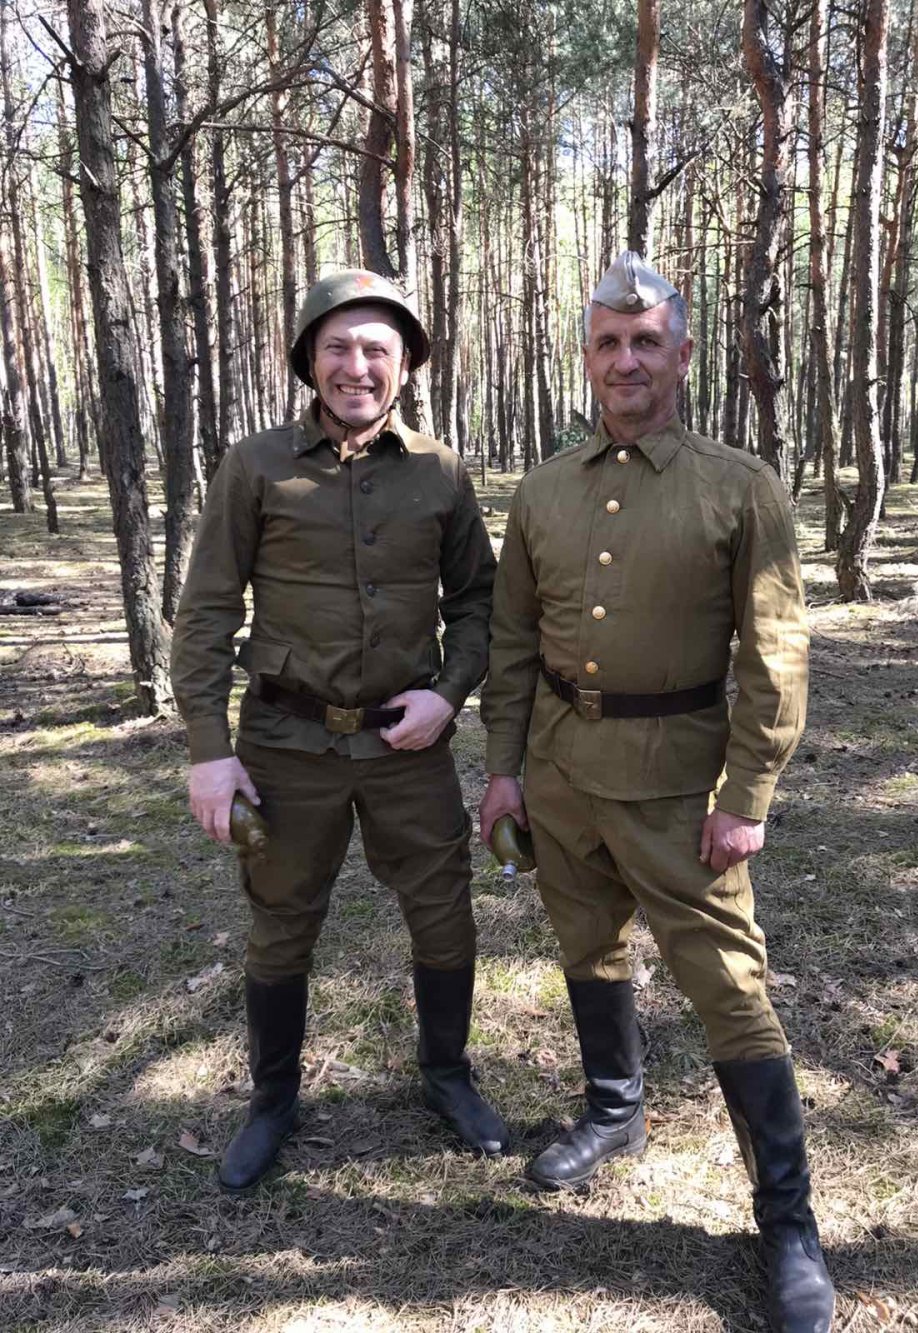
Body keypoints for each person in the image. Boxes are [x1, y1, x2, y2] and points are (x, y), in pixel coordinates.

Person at [479, 252, 833, 1333]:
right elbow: (510, 640)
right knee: (585, 943)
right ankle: (614, 1109)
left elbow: (776, 651)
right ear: (586, 358)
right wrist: (504, 769)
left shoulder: (739, 486)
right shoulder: (544, 488)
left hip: (682, 787)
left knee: (729, 985)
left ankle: (788, 1221)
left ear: (681, 355)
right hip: (560, 775)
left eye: (645, 341)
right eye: (607, 342)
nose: (625, 359)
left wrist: (747, 794)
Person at [171, 269, 509, 1193]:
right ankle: (272, 1099)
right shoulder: (256, 467)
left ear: (405, 365)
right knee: (282, 918)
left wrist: (449, 695)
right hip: (287, 744)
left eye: (376, 349)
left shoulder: (440, 472)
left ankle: (447, 1074)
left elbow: (478, 603)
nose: (356, 366)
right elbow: (206, 614)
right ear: (308, 360)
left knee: (442, 909)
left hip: (408, 742)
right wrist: (209, 752)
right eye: (338, 347)